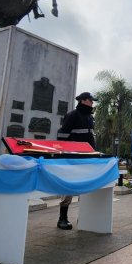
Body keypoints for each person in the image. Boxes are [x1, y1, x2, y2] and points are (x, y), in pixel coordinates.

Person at [55, 92, 97, 230]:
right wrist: (66, 154)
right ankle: (62, 218)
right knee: (68, 187)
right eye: (91, 100)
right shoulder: (72, 115)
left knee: (85, 187)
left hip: (87, 157)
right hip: (72, 157)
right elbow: (62, 136)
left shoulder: (90, 117)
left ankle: (84, 217)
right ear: (83, 101)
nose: (92, 103)